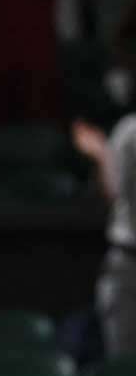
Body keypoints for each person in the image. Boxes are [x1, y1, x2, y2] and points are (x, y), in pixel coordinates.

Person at [72, 117, 136, 359]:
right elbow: (112, 189)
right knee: (124, 361)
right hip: (129, 262)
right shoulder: (131, 130)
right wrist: (102, 155)